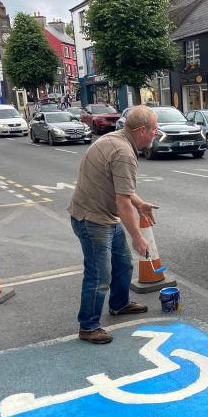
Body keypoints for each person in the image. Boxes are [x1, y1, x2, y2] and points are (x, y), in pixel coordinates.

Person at [68, 105, 159, 344]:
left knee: (123, 264)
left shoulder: (117, 139)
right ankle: (88, 326)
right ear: (141, 130)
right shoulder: (124, 154)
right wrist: (138, 237)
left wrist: (140, 204)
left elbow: (123, 191)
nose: (156, 134)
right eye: (154, 129)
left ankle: (119, 304)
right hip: (92, 219)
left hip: (104, 216)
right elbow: (122, 202)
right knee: (99, 275)